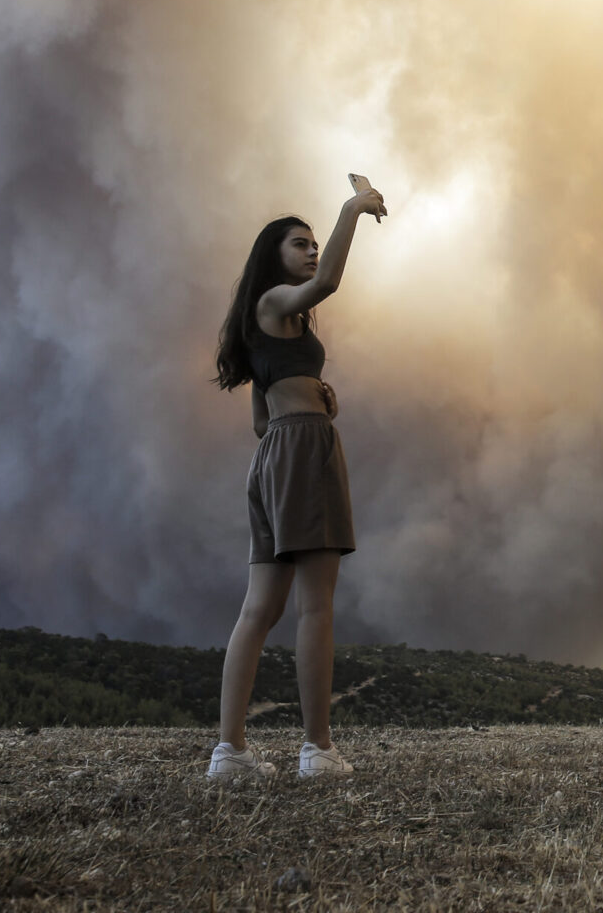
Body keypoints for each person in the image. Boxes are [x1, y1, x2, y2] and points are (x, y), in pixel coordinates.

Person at [208, 185, 385, 780]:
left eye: (315, 244)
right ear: (273, 253)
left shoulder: (263, 319)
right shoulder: (279, 300)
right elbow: (328, 282)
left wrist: (314, 395)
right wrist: (352, 210)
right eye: (300, 243)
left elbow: (261, 422)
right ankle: (318, 751)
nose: (312, 252)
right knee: (316, 608)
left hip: (274, 458)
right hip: (304, 451)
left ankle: (230, 754)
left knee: (258, 610)